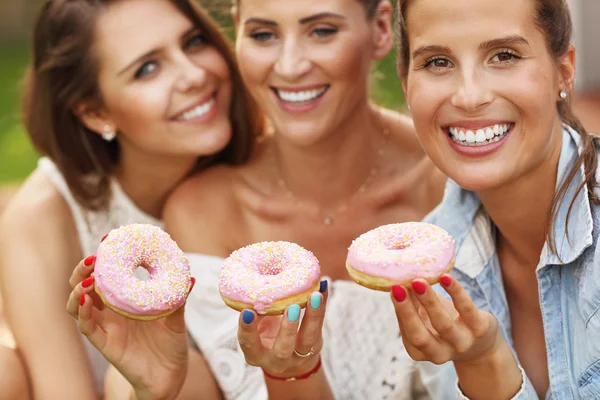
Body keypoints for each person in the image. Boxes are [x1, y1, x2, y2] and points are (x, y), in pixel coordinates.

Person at [68, 0, 446, 399]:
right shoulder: (203, 211)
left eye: (321, 31)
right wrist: (155, 391)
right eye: (264, 35)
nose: (289, 66)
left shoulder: (448, 185)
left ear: (382, 28)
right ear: (238, 33)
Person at [0, 0, 262, 398]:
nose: (194, 75)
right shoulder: (44, 217)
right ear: (95, 113)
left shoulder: (263, 169)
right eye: (147, 68)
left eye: (192, 42)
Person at [385, 0, 600, 398]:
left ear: (564, 71)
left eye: (504, 55)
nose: (469, 96)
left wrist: (487, 369)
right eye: (437, 62)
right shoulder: (429, 262)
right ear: (406, 83)